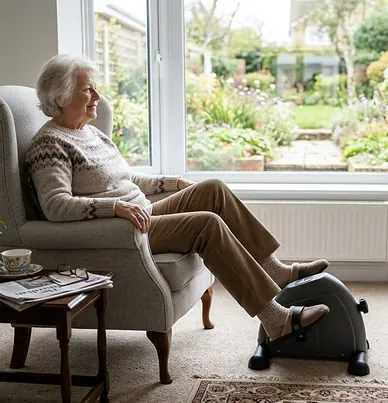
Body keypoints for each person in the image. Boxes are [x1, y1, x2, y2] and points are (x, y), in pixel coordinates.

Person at [26, 54, 330, 344]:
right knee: (206, 225)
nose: (97, 96)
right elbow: (56, 206)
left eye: (95, 87)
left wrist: (171, 182)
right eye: (87, 89)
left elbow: (124, 179)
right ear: (62, 97)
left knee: (213, 189)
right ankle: (275, 320)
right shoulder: (49, 144)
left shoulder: (93, 134)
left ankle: (275, 271)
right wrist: (116, 207)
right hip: (123, 228)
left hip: (143, 212)